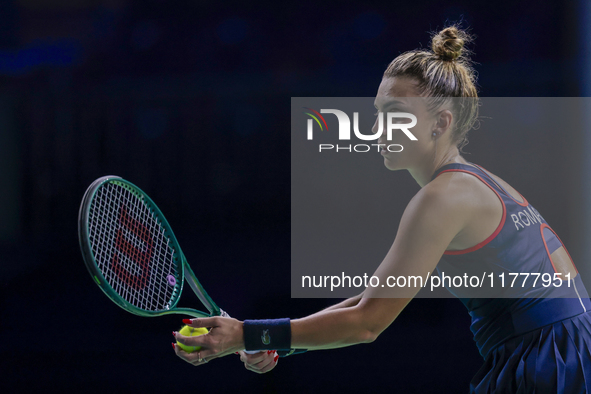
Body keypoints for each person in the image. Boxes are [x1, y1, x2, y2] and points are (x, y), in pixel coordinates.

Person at [171, 26, 591, 392]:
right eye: (377, 114)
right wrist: (274, 339)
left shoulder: (442, 198)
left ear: (440, 123)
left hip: (547, 362)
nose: (376, 129)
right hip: (568, 349)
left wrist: (246, 334)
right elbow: (372, 298)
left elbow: (367, 322)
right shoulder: (476, 182)